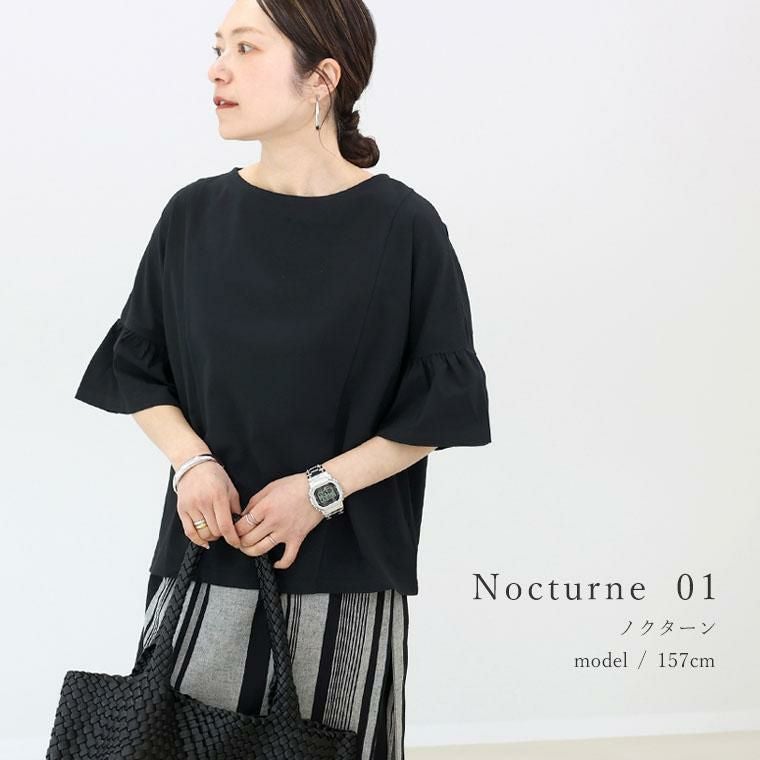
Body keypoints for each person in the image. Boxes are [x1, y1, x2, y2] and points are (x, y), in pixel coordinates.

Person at [73, 1, 491, 757]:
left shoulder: (405, 227)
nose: (217, 70)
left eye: (246, 48)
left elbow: (442, 405)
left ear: (322, 78)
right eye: (217, 47)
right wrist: (192, 464)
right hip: (204, 561)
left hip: (344, 578)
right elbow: (139, 367)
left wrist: (319, 491)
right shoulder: (193, 216)